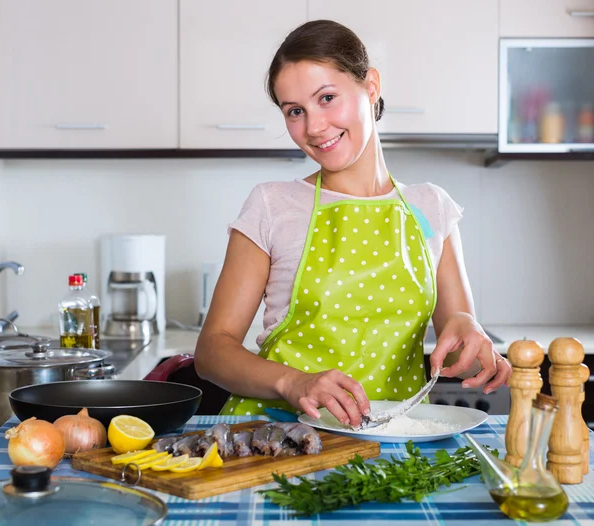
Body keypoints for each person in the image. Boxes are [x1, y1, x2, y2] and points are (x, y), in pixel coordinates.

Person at [194, 19, 511, 428]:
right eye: (295, 111)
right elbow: (212, 352)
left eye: (327, 98)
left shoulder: (430, 209)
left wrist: (471, 335)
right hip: (279, 435)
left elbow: (455, 353)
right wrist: (294, 382)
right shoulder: (274, 205)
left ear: (371, 86)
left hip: (394, 443)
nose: (313, 127)